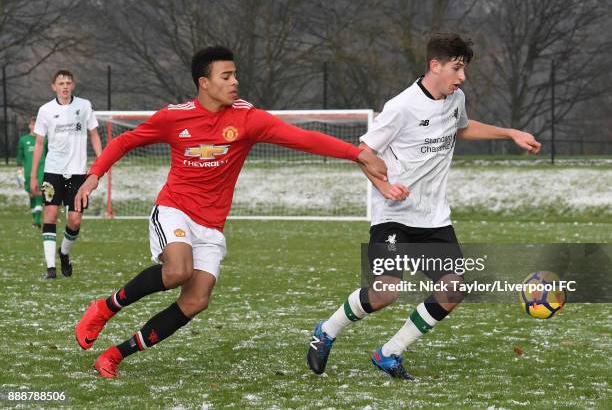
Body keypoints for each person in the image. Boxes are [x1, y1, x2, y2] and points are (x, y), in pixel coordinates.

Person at [73, 46, 387, 378]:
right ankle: (105, 308)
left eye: (235, 74)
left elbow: (303, 139)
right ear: (204, 83)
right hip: (174, 209)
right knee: (179, 269)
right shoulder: (175, 117)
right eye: (226, 76)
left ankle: (114, 355)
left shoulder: (247, 118)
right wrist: (94, 176)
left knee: (195, 301)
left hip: (211, 225)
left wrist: (357, 155)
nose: (235, 81)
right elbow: (125, 142)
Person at [307, 33, 542, 380]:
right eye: (456, 68)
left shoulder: (455, 98)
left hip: (433, 218)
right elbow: (364, 152)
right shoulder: (401, 107)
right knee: (387, 290)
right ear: (435, 66)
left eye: (464, 69)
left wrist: (510, 133)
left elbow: (462, 127)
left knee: (454, 288)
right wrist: (384, 186)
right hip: (394, 217)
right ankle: (326, 330)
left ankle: (389, 353)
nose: (461, 77)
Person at [30, 70, 102, 279]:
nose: (64, 86)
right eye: (61, 83)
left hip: (79, 173)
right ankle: (51, 269)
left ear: (73, 85)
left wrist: (102, 162)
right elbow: (39, 144)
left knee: (75, 220)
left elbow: (94, 134)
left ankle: (64, 253)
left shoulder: (84, 105)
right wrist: (34, 175)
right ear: (54, 86)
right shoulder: (45, 110)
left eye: (68, 82)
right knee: (50, 215)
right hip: (53, 171)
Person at [17, 116, 47, 228]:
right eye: (33, 124)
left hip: (41, 169)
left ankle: (37, 220)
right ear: (29, 126)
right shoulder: (23, 140)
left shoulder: (45, 139)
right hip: (28, 170)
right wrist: (19, 171)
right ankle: (35, 218)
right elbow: (20, 157)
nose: (35, 127)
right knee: (31, 194)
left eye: (37, 125)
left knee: (38, 191)